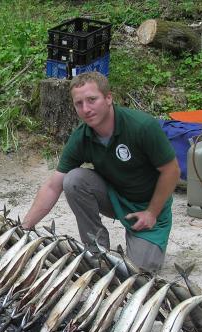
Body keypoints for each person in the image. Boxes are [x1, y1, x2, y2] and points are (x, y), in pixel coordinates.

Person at [21, 71, 180, 272]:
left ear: (108, 98)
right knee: (73, 180)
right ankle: (96, 248)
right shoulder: (81, 137)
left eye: (92, 100)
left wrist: (152, 212)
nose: (86, 109)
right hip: (114, 197)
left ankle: (144, 240)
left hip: (148, 205)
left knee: (138, 274)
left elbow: (172, 171)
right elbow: (53, 186)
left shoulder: (142, 126)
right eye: (79, 103)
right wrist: (24, 227)